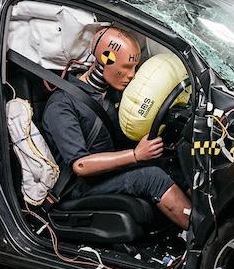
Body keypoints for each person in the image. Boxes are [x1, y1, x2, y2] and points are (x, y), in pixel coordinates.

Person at [42, 26, 192, 229]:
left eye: (134, 67)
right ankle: (202, 238)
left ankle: (207, 223)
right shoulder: (62, 104)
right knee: (151, 177)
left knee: (173, 163)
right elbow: (80, 165)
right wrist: (136, 155)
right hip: (80, 186)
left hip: (109, 171)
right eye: (126, 67)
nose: (132, 75)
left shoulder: (113, 93)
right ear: (106, 59)